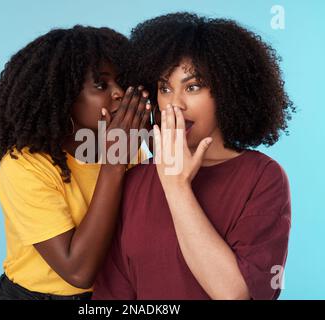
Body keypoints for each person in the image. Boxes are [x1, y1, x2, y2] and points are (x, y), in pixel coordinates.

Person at [92, 12, 295, 300]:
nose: (175, 104)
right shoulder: (135, 179)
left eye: (193, 87)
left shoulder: (263, 178)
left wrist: (177, 186)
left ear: (227, 92)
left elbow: (234, 294)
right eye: (165, 88)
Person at [0, 25, 150, 300]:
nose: (118, 93)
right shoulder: (24, 166)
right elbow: (78, 271)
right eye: (101, 85)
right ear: (65, 96)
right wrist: (114, 165)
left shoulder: (129, 151)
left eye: (121, 81)